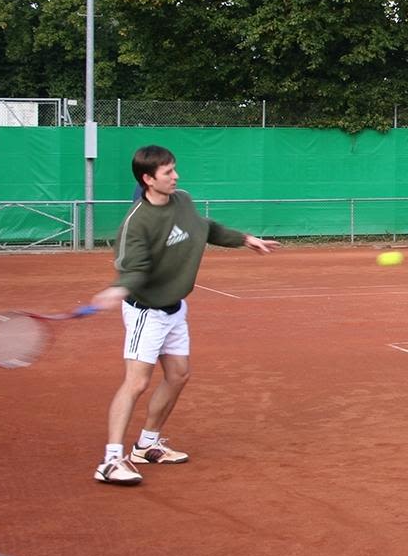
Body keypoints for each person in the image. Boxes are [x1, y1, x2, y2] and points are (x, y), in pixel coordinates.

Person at [90, 145, 279, 486]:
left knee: (178, 375)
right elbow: (133, 267)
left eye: (175, 169)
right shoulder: (137, 223)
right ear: (148, 179)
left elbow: (204, 226)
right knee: (137, 383)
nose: (175, 176)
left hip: (175, 307)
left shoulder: (183, 201)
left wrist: (245, 239)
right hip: (146, 311)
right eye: (167, 172)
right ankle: (110, 460)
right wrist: (119, 288)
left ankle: (147, 444)